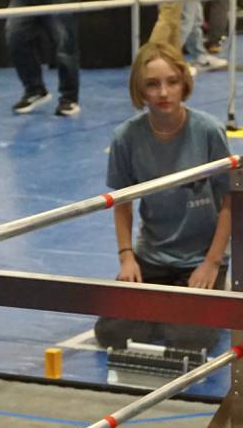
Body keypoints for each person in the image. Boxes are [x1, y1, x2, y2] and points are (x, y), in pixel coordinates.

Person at [93, 43, 233, 353]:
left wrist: (212, 263)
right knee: (111, 334)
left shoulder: (209, 131)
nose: (163, 92)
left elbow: (230, 201)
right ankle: (164, 307)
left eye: (171, 81)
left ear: (185, 82)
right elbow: (122, 202)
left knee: (188, 341)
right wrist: (127, 256)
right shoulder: (126, 137)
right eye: (152, 85)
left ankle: (175, 310)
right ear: (139, 90)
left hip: (199, 259)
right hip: (151, 257)